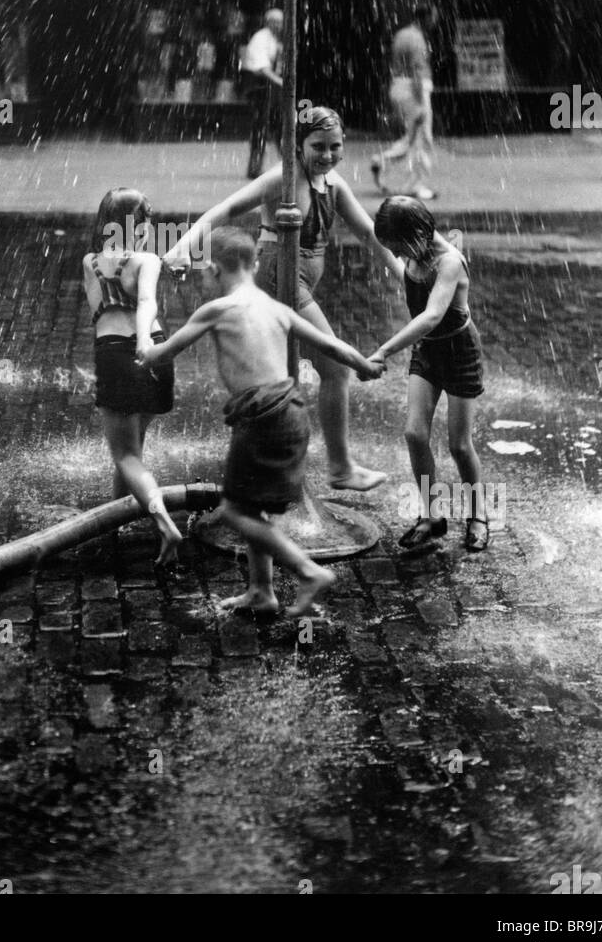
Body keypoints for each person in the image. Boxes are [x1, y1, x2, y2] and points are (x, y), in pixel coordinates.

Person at [140, 227, 383, 616]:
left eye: (204, 271)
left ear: (215, 270)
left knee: (235, 511)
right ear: (254, 264)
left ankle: (307, 571)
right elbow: (333, 347)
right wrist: (365, 366)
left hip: (261, 416)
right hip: (292, 413)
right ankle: (261, 592)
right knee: (255, 507)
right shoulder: (278, 309)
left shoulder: (217, 310)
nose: (204, 277)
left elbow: (166, 352)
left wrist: (143, 350)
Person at [163, 105, 401, 491]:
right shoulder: (283, 179)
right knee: (335, 368)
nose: (327, 155)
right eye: (317, 146)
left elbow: (370, 234)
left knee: (285, 370)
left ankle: (268, 453)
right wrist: (182, 247)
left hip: (301, 279)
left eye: (334, 147)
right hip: (282, 276)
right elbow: (227, 207)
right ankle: (340, 468)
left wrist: (403, 272)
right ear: (297, 145)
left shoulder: (333, 183)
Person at [367, 197, 489, 553]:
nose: (400, 257)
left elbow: (433, 315)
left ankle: (478, 515)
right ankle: (431, 516)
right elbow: (377, 242)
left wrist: (384, 349)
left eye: (401, 248)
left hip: (459, 352)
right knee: (414, 433)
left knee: (459, 444)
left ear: (419, 233)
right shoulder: (414, 250)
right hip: (428, 352)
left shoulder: (449, 262)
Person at [84, 188, 182, 566]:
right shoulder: (148, 259)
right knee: (132, 454)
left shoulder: (89, 261)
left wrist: (135, 337)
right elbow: (147, 303)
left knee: (125, 455)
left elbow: (104, 308)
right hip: (156, 353)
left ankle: (162, 521)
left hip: (116, 355)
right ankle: (117, 518)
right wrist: (144, 338)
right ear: (141, 224)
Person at [372, 3, 438, 201]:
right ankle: (416, 186)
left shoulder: (401, 34)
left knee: (412, 136)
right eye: (434, 16)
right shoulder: (417, 38)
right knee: (421, 138)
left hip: (398, 86)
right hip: (413, 89)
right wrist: (420, 102)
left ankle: (382, 161)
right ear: (425, 17)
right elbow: (417, 69)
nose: (435, 21)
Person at [239, 7, 284, 180]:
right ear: (269, 22)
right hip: (258, 86)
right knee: (260, 126)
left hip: (269, 87)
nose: (279, 25)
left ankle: (287, 162)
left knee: (279, 123)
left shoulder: (275, 39)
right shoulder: (261, 38)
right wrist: (280, 81)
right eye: (276, 22)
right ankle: (255, 167)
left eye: (281, 22)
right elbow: (262, 69)